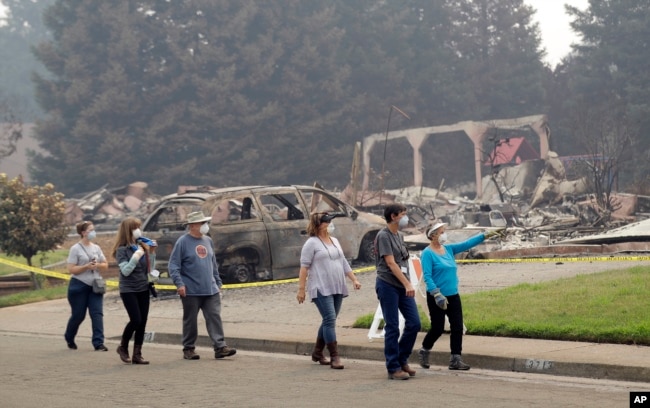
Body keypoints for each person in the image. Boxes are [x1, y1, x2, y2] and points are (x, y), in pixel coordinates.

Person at [417, 222, 502, 370]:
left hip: (453, 295)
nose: (445, 234)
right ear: (432, 235)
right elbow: (427, 277)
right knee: (437, 328)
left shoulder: (448, 249)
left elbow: (467, 243)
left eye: (444, 231)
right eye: (441, 232)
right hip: (437, 296)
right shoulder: (427, 253)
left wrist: (485, 234)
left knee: (457, 327)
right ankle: (424, 350)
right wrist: (436, 294)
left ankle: (455, 359)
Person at [296, 212, 362, 370]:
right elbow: (304, 267)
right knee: (330, 319)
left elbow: (343, 262)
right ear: (319, 224)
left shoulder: (335, 241)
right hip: (320, 286)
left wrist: (354, 279)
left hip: (337, 285)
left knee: (328, 320)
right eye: (327, 222)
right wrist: (301, 290)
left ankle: (317, 352)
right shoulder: (311, 243)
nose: (330, 224)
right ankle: (335, 356)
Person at [168, 211, 237, 360]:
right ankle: (189, 348)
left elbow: (212, 264)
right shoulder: (183, 242)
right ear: (192, 225)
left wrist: (218, 282)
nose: (205, 226)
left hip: (210, 288)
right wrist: (179, 283)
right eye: (202, 223)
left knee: (214, 316)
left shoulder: (208, 240)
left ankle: (220, 347)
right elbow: (173, 265)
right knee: (190, 320)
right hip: (190, 289)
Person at [374, 204, 421, 380]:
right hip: (388, 284)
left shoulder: (399, 236)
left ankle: (402, 358)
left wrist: (407, 283)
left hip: (402, 285)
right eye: (403, 215)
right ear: (393, 216)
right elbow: (391, 263)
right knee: (392, 326)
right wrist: (407, 284)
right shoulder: (383, 236)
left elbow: (403, 260)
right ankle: (393, 367)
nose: (405, 218)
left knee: (414, 323)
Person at [112, 217, 156, 365]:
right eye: (135, 227)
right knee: (135, 319)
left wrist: (151, 253)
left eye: (139, 227)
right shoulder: (122, 250)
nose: (138, 230)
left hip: (143, 287)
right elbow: (125, 271)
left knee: (142, 322)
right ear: (128, 230)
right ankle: (123, 347)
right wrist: (137, 256)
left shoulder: (140, 245)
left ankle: (137, 354)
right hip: (128, 289)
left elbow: (149, 268)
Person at [64, 220, 109, 351]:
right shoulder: (75, 249)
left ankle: (98, 343)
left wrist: (97, 266)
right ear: (83, 233)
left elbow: (105, 264)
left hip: (95, 285)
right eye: (90, 230)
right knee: (79, 315)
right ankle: (69, 337)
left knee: (97, 314)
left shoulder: (96, 248)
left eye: (93, 230)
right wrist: (86, 267)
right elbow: (71, 269)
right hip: (79, 286)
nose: (93, 232)